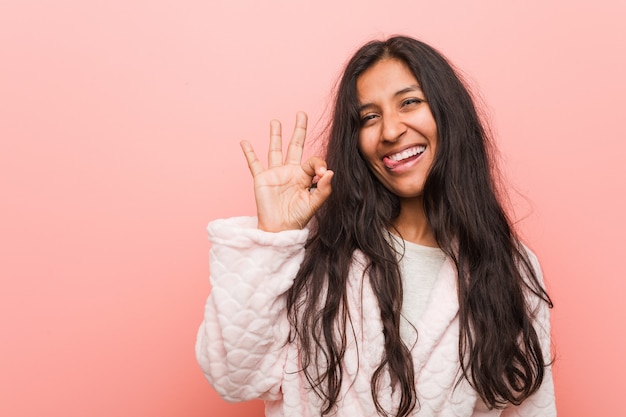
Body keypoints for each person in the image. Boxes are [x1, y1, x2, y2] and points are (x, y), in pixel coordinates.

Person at [196, 36, 555, 417]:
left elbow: (530, 407)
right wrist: (272, 239)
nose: (389, 131)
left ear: (449, 114)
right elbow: (235, 378)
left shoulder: (510, 268)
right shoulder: (315, 248)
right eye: (369, 117)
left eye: (409, 102)